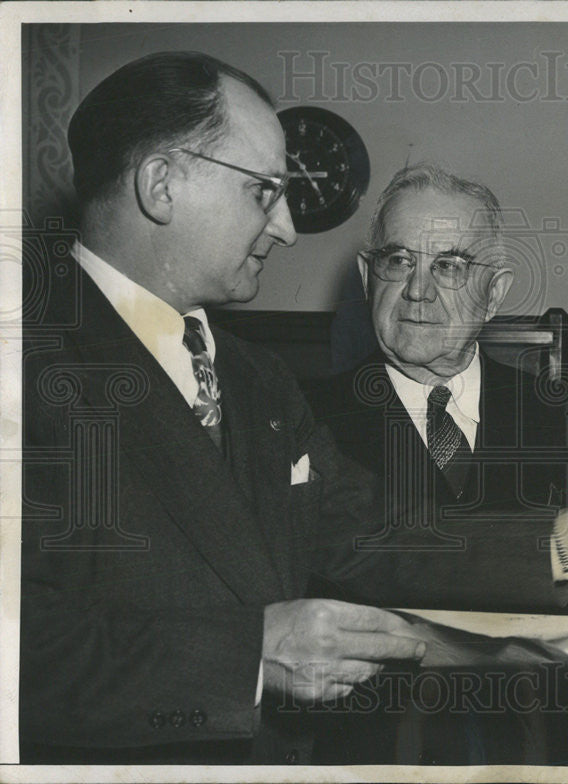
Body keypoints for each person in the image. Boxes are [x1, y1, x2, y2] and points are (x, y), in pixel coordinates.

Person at [19, 51, 429, 765]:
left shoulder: (258, 377)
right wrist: (248, 660)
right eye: (264, 191)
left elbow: (378, 536)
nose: (287, 230)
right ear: (162, 184)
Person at [311, 164, 568, 765]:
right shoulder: (304, 420)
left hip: (528, 756)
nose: (418, 290)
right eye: (399, 260)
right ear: (366, 273)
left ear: (497, 291)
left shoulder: (560, 419)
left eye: (451, 266)